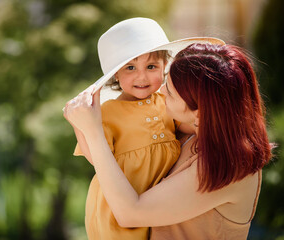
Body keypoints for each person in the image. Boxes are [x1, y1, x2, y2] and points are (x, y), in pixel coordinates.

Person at [64, 43, 272, 239]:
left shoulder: (230, 166)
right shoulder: (190, 131)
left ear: (200, 113)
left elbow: (131, 213)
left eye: (170, 93)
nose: (161, 91)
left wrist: (93, 131)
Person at [69, 18, 224, 239]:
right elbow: (96, 158)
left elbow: (191, 126)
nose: (142, 77)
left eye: (151, 67)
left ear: (164, 68)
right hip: (117, 206)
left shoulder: (166, 101)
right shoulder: (109, 112)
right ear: (116, 74)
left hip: (152, 204)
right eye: (130, 68)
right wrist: (81, 125)